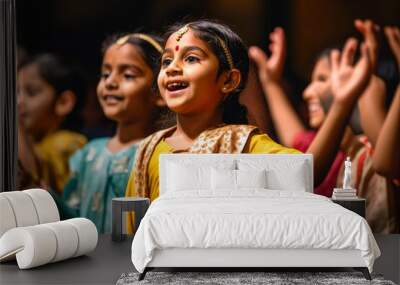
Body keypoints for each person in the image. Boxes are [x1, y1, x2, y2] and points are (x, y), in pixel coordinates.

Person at [125, 20, 372, 232]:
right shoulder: (149, 148)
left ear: (228, 80)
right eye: (166, 61)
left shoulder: (243, 142)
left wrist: (342, 103)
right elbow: (130, 225)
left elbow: (306, 170)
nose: (173, 68)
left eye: (191, 58)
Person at [250, 20, 398, 233]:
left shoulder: (366, 148)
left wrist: (364, 87)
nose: (308, 92)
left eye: (322, 79)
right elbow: (297, 140)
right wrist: (270, 81)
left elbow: (385, 162)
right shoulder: (340, 148)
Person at [62, 33, 167, 233]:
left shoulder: (158, 155)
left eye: (128, 75)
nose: (110, 82)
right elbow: (73, 219)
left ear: (159, 92)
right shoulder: (88, 153)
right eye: (105, 74)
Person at [17, 54, 87, 194]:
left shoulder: (66, 144)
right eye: (17, 92)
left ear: (63, 102)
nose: (19, 102)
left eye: (31, 93)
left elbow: (33, 181)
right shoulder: (35, 142)